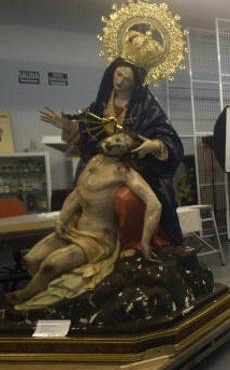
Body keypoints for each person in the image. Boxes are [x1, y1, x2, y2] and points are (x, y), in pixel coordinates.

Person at [40, 57, 184, 247]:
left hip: (133, 169)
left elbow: (169, 137)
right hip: (99, 167)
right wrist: (66, 124)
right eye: (118, 75)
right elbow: (86, 131)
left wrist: (154, 145)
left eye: (127, 79)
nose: (120, 81)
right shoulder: (100, 105)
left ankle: (133, 246)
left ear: (136, 83)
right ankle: (85, 242)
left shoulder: (146, 107)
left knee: (127, 200)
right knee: (81, 194)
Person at [6, 133, 160, 309]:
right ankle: (43, 292)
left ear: (127, 150)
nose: (110, 140)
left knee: (51, 264)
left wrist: (145, 242)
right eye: (114, 137)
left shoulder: (124, 172)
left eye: (119, 141)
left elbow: (155, 205)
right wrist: (62, 219)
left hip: (97, 239)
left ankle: (26, 298)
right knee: (31, 259)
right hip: (74, 228)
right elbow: (78, 194)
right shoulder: (95, 160)